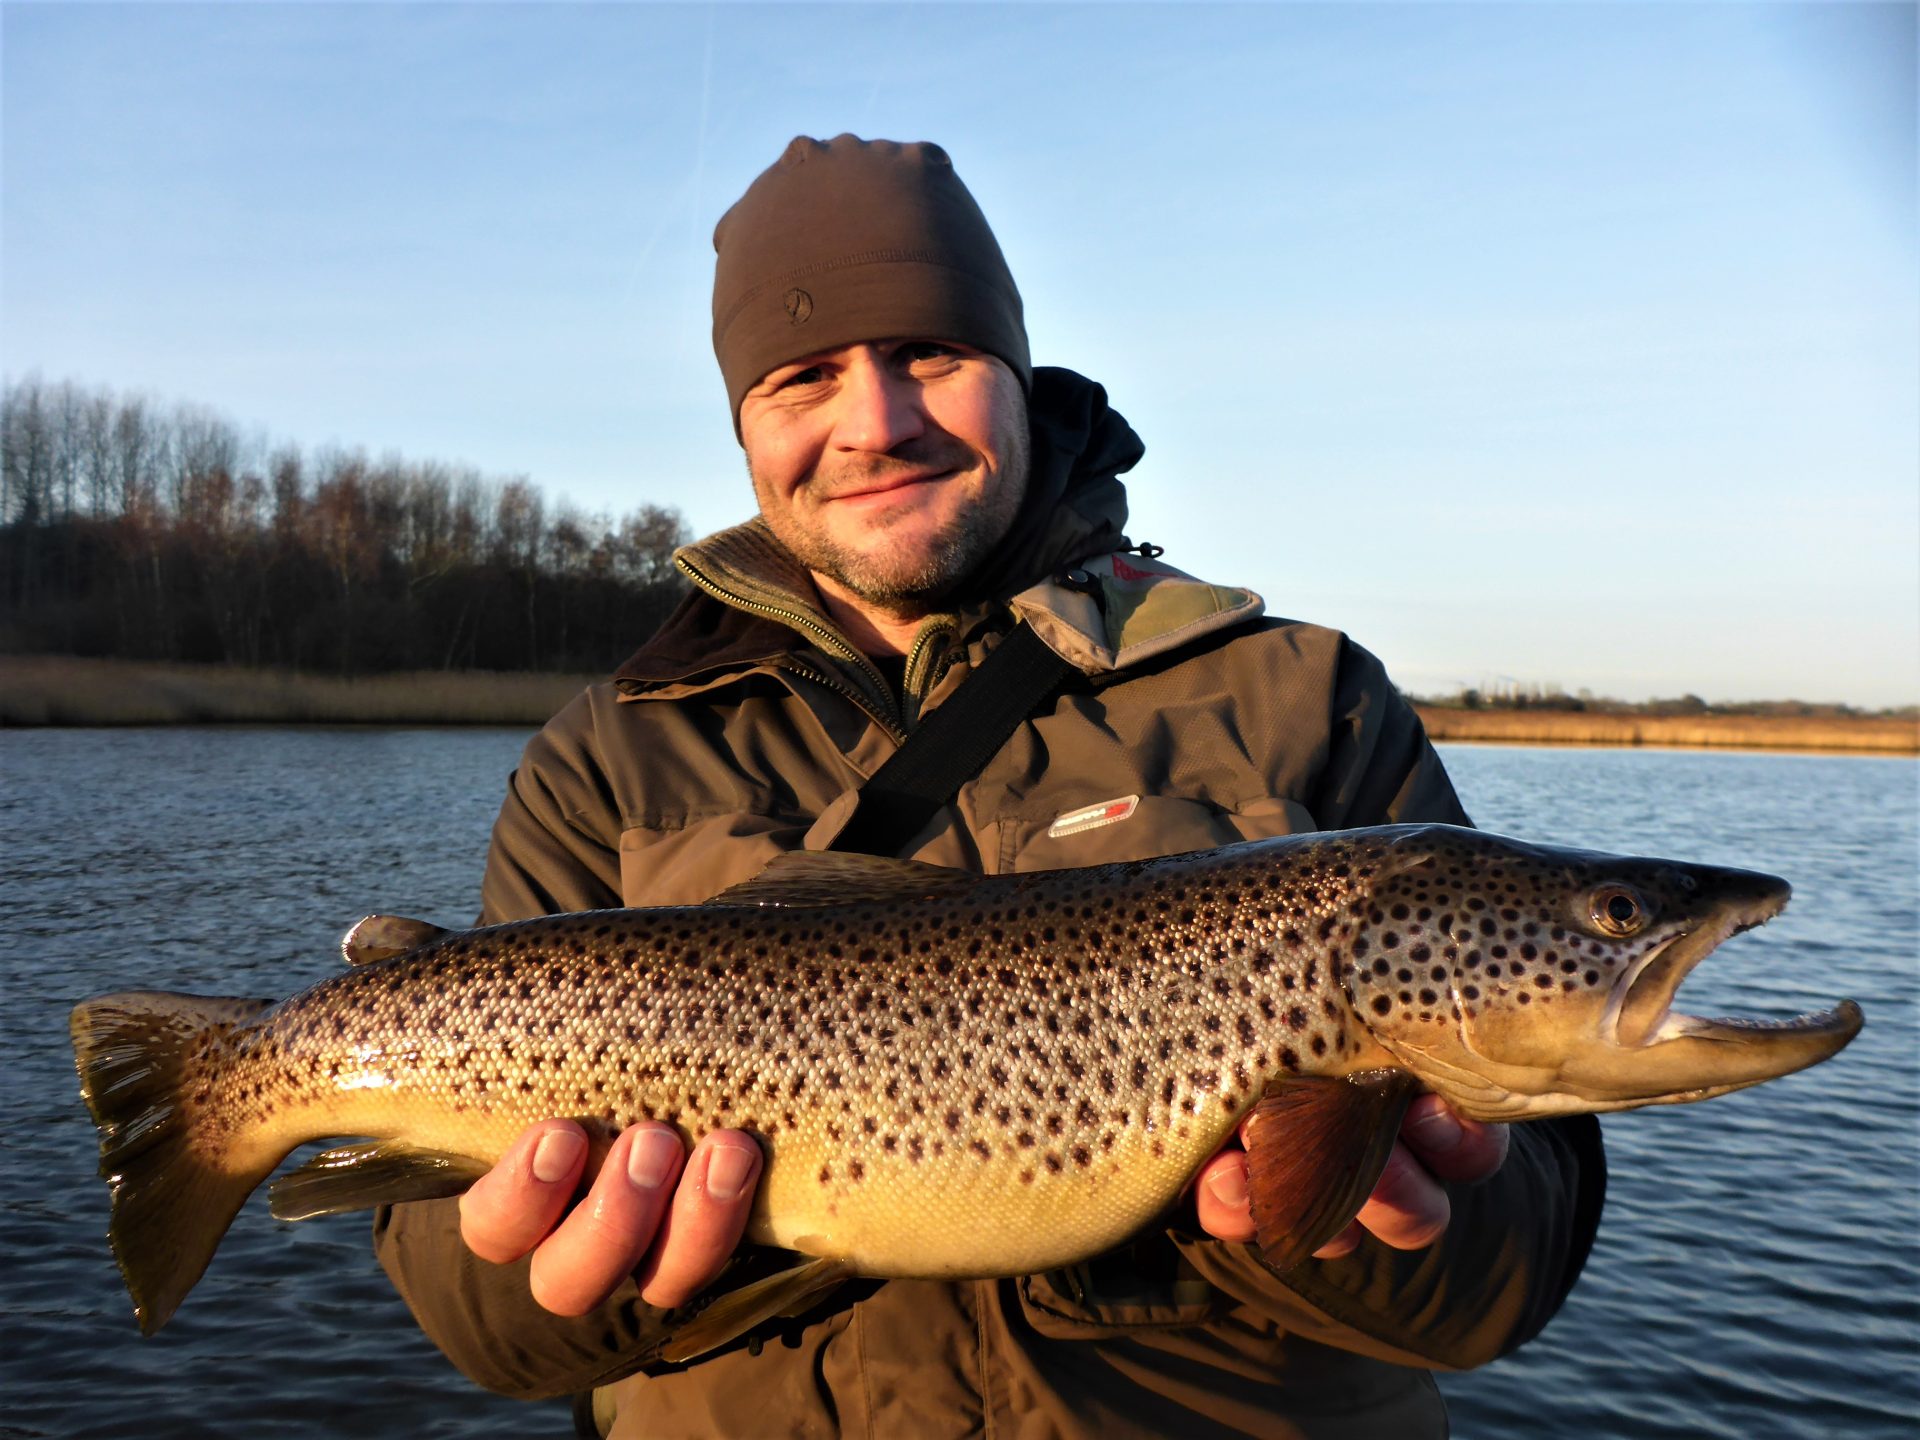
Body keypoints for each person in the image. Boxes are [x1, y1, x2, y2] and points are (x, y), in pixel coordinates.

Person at [375, 135, 1605, 1439]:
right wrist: (579, 1281)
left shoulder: (1301, 699)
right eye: (804, 378)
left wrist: (1326, 1214)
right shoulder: (606, 755)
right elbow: (481, 1325)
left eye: (930, 356)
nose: (877, 422)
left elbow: (1503, 1285)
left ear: (1020, 375)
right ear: (744, 426)